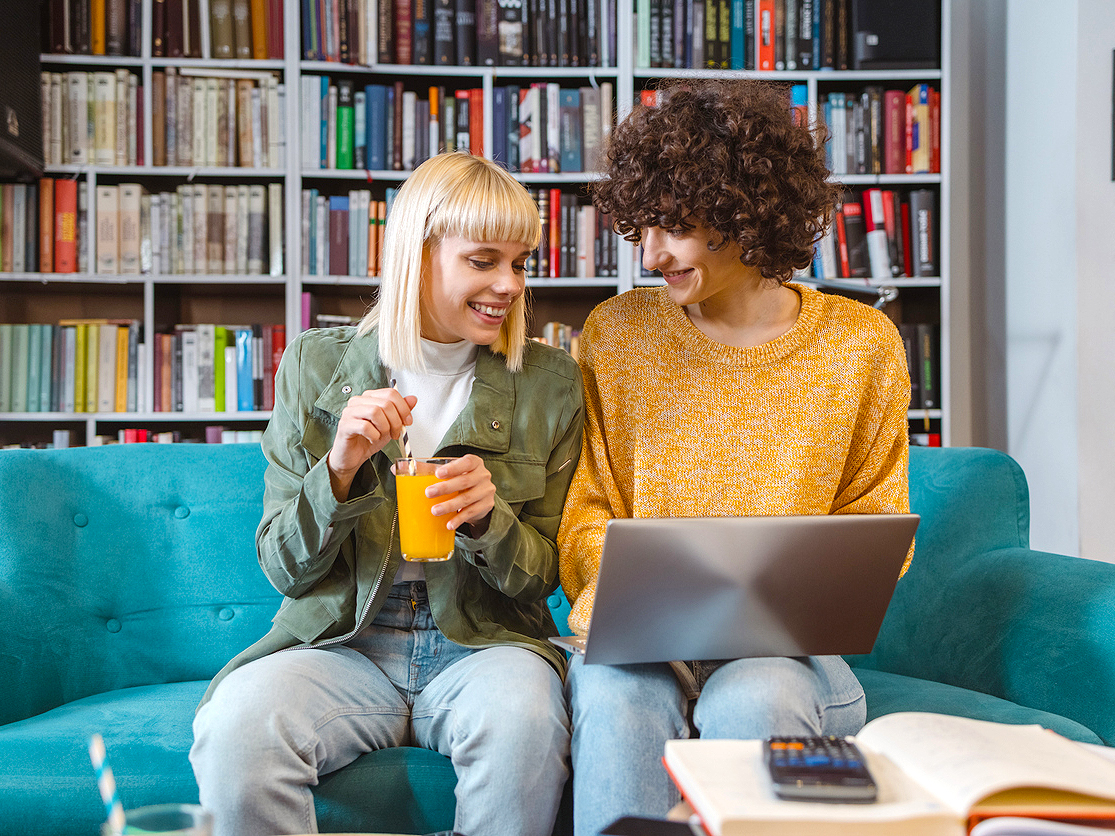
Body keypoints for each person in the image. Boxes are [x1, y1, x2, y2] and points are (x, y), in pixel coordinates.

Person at [557, 78, 913, 836]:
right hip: (637, 643)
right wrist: (614, 593)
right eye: (639, 229)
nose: (649, 254)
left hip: (783, 656)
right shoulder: (617, 335)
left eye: (673, 228)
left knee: (753, 699)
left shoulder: (859, 346)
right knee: (618, 700)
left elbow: (876, 522)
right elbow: (586, 507)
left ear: (741, 211)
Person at [191, 152, 584, 836]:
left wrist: (489, 519)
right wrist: (337, 471)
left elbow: (545, 576)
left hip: (483, 643)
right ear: (419, 255)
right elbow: (285, 569)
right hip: (344, 642)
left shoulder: (550, 382)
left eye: (520, 263)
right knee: (235, 729)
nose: (509, 285)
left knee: (525, 721)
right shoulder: (315, 363)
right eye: (483, 260)